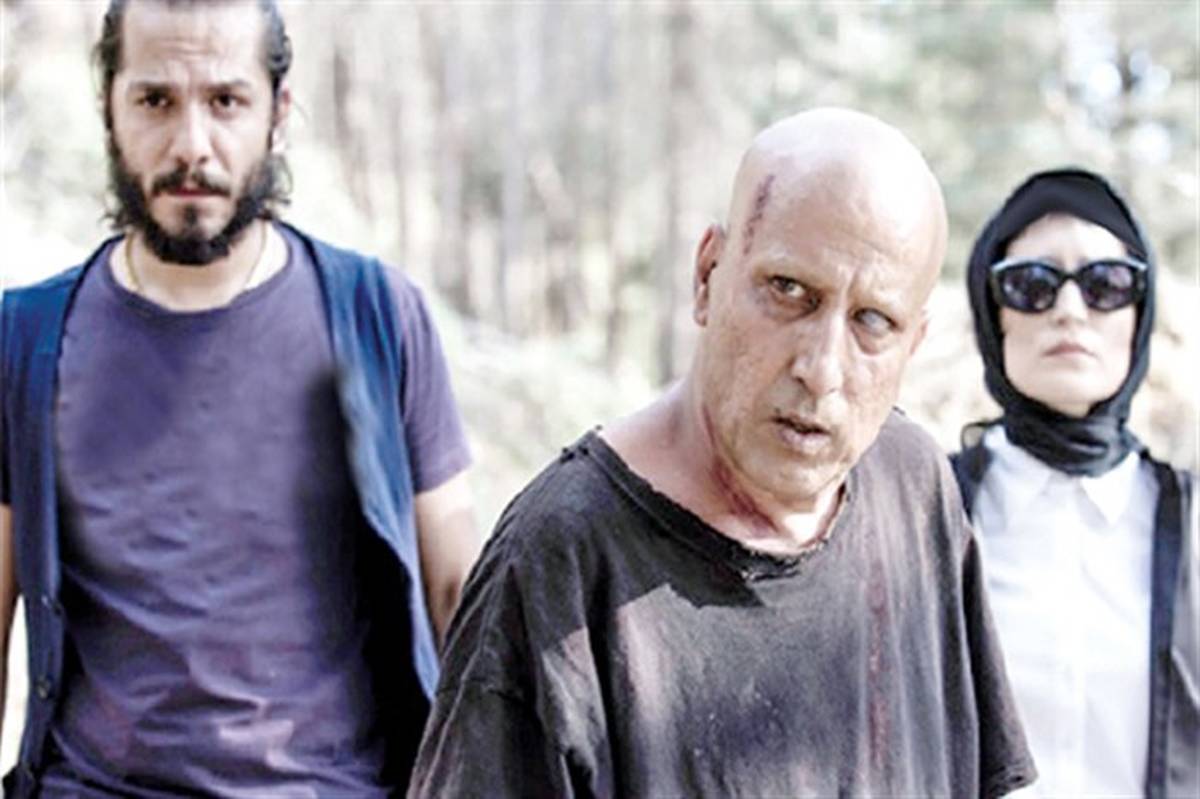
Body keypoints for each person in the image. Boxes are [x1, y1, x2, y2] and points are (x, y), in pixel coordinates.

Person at [408, 108, 1036, 798]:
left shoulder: (912, 487)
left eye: (872, 321)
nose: (821, 368)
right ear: (708, 275)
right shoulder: (560, 556)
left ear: (912, 344)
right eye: (789, 292)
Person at [0, 0, 481, 794]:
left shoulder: (378, 317)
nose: (191, 143)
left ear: (277, 113)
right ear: (109, 108)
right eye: (156, 100)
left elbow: (456, 591)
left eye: (225, 100)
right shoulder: (23, 340)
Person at [951, 167, 1199, 798]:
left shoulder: (1191, 522)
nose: (1069, 311)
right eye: (1031, 285)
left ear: (1139, 315)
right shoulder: (925, 509)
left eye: (1105, 284)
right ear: (993, 314)